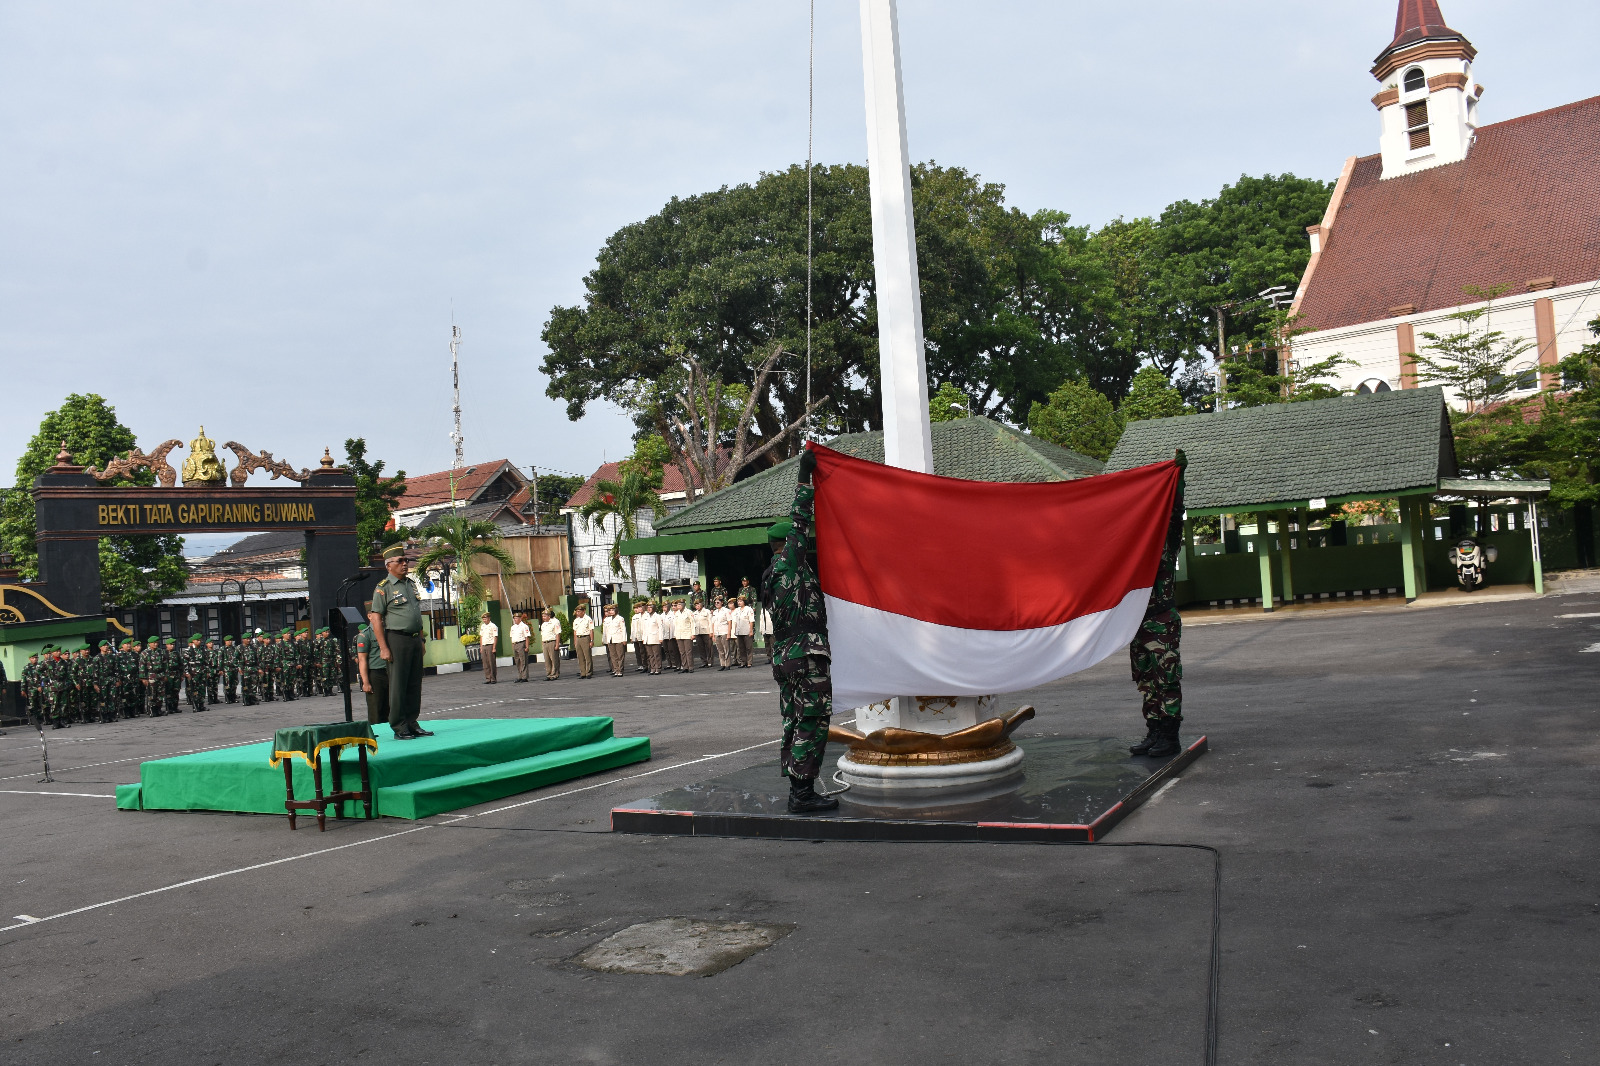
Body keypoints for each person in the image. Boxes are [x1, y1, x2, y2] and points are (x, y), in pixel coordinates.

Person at [761, 446, 837, 813]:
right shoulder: (788, 564)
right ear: (785, 545)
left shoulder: (778, 574)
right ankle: (802, 795)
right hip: (805, 657)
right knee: (811, 721)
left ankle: (799, 789)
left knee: (796, 719)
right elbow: (800, 518)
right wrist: (804, 476)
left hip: (788, 657)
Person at [1129, 453, 1188, 760]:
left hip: (1162, 620)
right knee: (1145, 681)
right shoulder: (1131, 551)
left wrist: (1177, 480)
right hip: (1138, 623)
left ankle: (1170, 735)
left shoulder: (1166, 542)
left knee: (1166, 679)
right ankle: (1153, 731)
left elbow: (1176, 513)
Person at [369, 543, 432, 739]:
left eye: (406, 560)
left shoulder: (410, 584)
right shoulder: (383, 589)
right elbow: (377, 618)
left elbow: (416, 613)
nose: (405, 564)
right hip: (396, 639)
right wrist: (383, 647)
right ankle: (399, 725)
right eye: (400, 561)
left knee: (414, 683)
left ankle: (412, 722)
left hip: (414, 639)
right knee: (398, 684)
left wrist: (421, 639)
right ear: (389, 565)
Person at [354, 602, 389, 725]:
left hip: (390, 672)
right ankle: (377, 736)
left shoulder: (388, 631)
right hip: (376, 675)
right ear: (370, 616)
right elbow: (362, 660)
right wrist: (366, 682)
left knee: (392, 707)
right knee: (376, 709)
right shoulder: (365, 635)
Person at [183, 635, 210, 712]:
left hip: (202, 672)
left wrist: (207, 671)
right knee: (194, 689)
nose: (199, 642)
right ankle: (195, 705)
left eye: (200, 640)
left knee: (202, 689)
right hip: (193, 673)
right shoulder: (188, 650)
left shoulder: (203, 650)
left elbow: (206, 662)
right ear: (193, 641)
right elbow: (185, 662)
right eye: (197, 640)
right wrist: (187, 672)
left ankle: (201, 705)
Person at [602, 603, 628, 676]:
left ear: (616, 610)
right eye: (610, 610)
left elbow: (623, 629)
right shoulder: (607, 619)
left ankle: (620, 670)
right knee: (613, 656)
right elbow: (605, 631)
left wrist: (624, 639)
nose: (611, 611)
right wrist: (604, 639)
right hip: (610, 639)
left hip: (618, 639)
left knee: (620, 655)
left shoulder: (620, 618)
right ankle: (616, 670)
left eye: (612, 610)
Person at [571, 602, 595, 679]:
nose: (577, 613)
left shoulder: (588, 619)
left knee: (587, 656)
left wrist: (591, 640)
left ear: (583, 611)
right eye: (577, 611)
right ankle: (583, 672)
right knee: (580, 656)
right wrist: (575, 641)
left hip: (585, 637)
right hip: (578, 638)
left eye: (579, 611)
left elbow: (591, 630)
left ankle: (589, 672)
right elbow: (575, 632)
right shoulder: (576, 620)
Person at [672, 597, 696, 673]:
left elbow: (693, 623)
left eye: (679, 604)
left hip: (687, 634)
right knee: (682, 652)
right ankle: (685, 667)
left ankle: (690, 667)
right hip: (679, 634)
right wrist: (675, 634)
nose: (678, 606)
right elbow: (675, 625)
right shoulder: (677, 613)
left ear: (683, 604)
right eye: (677, 605)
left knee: (688, 651)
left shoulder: (689, 612)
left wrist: (693, 634)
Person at [641, 601, 663, 675]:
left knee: (656, 654)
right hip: (647, 638)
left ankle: (658, 668)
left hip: (655, 638)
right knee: (650, 655)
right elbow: (644, 628)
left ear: (654, 608)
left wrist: (661, 638)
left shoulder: (657, 616)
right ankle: (653, 668)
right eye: (648, 607)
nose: (649, 609)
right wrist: (643, 637)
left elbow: (660, 628)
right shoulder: (646, 617)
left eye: (651, 607)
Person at [539, 608, 562, 681]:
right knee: (547, 660)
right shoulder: (543, 625)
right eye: (543, 616)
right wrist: (542, 644)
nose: (543, 618)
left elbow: (557, 634)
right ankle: (548, 674)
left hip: (552, 642)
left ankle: (554, 674)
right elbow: (542, 635)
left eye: (545, 616)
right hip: (545, 642)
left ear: (549, 616)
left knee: (554, 659)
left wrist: (557, 644)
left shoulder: (554, 623)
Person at [733, 596, 755, 668]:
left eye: (741, 601)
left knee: (748, 647)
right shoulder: (737, 610)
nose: (739, 602)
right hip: (739, 631)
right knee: (741, 648)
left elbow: (751, 621)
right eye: (738, 601)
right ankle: (743, 662)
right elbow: (735, 621)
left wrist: (751, 631)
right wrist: (735, 630)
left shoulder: (749, 609)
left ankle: (749, 662)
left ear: (744, 602)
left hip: (747, 631)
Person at [711, 597, 733, 670]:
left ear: (722, 602)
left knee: (726, 649)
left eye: (718, 602)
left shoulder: (726, 611)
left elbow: (730, 622)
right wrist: (713, 635)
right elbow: (713, 623)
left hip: (724, 631)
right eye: (715, 603)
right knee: (720, 650)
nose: (716, 604)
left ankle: (728, 664)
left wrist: (729, 633)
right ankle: (722, 664)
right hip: (717, 632)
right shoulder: (714, 612)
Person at [510, 612, 532, 682]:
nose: (515, 619)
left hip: (521, 643)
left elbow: (527, 637)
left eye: (516, 618)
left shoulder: (524, 626)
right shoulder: (513, 627)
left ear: (520, 618)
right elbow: (511, 637)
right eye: (514, 618)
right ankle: (520, 676)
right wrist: (512, 645)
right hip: (515, 644)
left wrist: (527, 646)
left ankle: (524, 676)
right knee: (517, 661)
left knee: (523, 660)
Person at [478, 612, 500, 684]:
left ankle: (493, 678)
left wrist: (494, 647)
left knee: (491, 662)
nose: (484, 620)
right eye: (483, 619)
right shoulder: (483, 626)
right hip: (484, 645)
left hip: (490, 645)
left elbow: (495, 637)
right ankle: (488, 678)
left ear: (489, 618)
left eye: (485, 618)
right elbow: (481, 637)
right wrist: (481, 647)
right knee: (485, 663)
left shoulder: (493, 626)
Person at [692, 597, 714, 668]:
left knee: (709, 647)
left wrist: (711, 632)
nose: (697, 606)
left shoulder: (707, 611)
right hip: (698, 632)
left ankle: (710, 661)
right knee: (701, 647)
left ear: (702, 604)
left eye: (698, 605)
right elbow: (693, 623)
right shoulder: (694, 613)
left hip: (706, 631)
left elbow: (710, 622)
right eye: (696, 605)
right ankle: (704, 662)